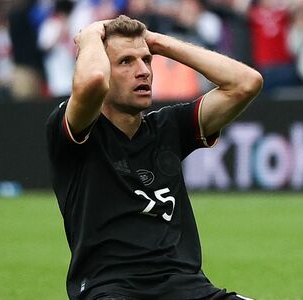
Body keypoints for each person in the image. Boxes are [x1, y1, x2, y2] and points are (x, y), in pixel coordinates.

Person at [46, 15, 262, 300]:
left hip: (186, 288)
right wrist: (88, 37)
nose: (143, 71)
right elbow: (93, 81)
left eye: (146, 61)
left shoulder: (169, 126)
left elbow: (246, 83)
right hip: (111, 290)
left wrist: (160, 43)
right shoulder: (76, 129)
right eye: (126, 62)